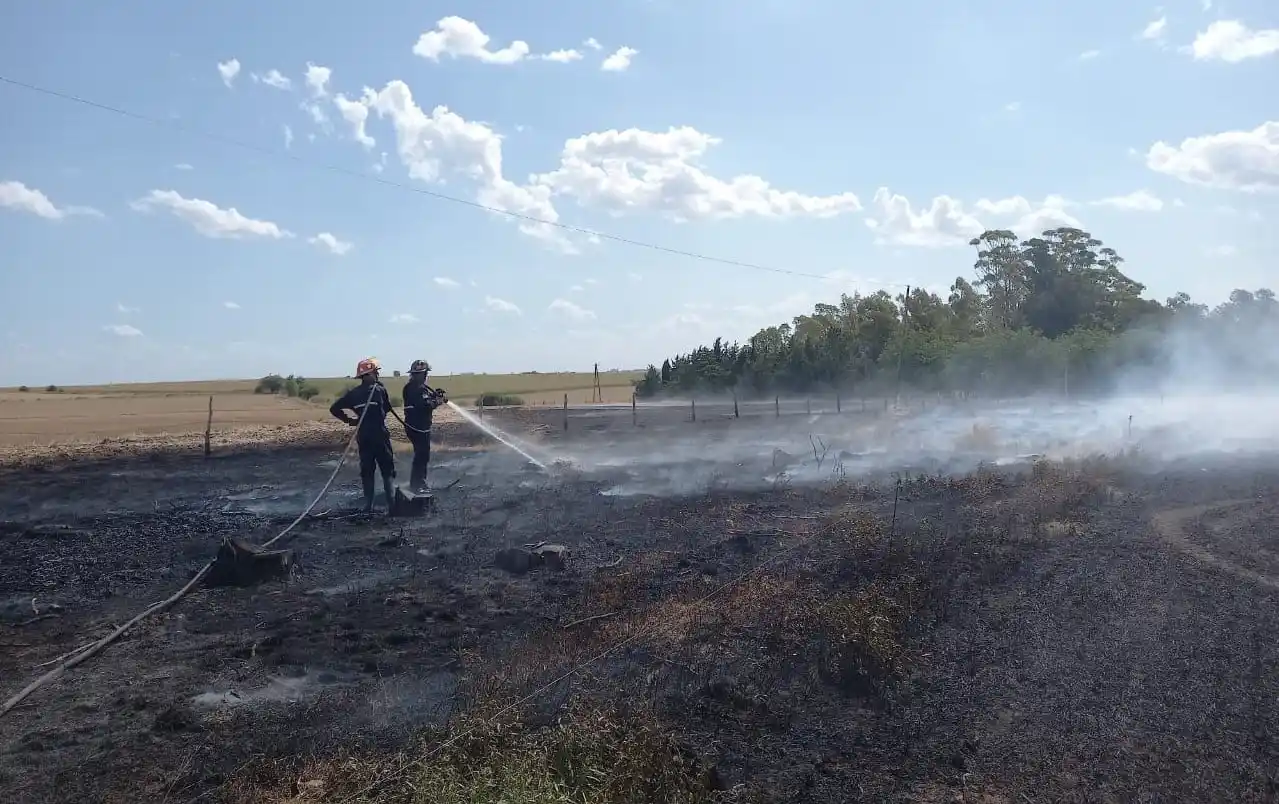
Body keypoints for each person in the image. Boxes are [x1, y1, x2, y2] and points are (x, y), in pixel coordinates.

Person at [329, 357, 396, 513]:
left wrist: (350, 420)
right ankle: (392, 506)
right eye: (376, 372)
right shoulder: (379, 390)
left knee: (367, 471)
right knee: (387, 470)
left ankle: (368, 507)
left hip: (364, 437)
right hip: (379, 435)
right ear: (371, 373)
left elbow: (334, 408)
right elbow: (386, 409)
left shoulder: (354, 394)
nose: (377, 375)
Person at [402, 359, 447, 493]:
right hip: (418, 427)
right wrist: (437, 401)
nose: (424, 376)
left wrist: (434, 395)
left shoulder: (412, 387)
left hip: (416, 426)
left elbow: (424, 400)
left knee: (421, 455)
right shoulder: (417, 388)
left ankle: (419, 483)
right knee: (422, 455)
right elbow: (426, 405)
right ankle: (417, 485)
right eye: (423, 374)